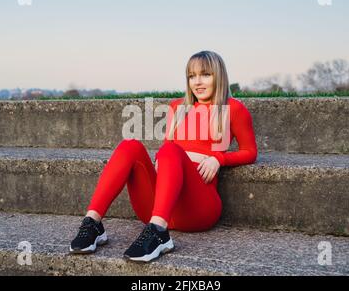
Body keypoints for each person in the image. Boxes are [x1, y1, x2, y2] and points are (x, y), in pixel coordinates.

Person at [69, 50, 258, 262]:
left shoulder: (234, 109)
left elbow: (250, 151)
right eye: (192, 76)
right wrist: (160, 162)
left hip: (198, 208)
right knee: (129, 145)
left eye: (205, 74)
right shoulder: (177, 107)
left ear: (219, 76)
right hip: (157, 205)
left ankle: (159, 234)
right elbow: (167, 147)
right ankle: (92, 223)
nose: (197, 82)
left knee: (170, 150)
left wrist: (219, 159)